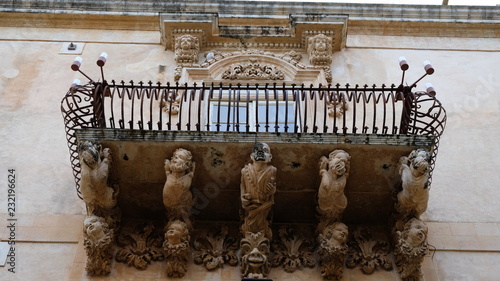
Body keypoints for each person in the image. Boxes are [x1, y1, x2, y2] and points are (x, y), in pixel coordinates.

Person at [240, 142, 276, 239]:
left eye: (265, 151)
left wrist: (272, 192)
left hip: (263, 206)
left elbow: (271, 197)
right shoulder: (245, 171)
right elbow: (242, 187)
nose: (260, 152)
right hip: (250, 208)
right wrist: (243, 198)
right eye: (257, 150)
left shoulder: (272, 170)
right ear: (252, 156)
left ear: (270, 157)